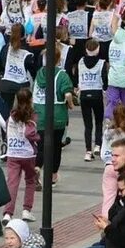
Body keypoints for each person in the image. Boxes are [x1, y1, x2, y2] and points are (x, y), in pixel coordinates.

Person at [32, 46, 74, 186]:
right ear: (59, 59)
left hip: (39, 114)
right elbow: (67, 94)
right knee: (56, 146)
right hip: (57, 115)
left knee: (42, 145)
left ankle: (37, 167)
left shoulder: (39, 74)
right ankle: (53, 175)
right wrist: (71, 104)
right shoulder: (61, 75)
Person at [3, 88, 40, 224]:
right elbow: (29, 133)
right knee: (30, 180)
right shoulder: (32, 115)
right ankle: (26, 210)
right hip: (27, 153)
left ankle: (8, 213)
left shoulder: (12, 115)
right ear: (30, 100)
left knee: (12, 183)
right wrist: (38, 137)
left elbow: (6, 127)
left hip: (13, 152)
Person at [78, 38, 107, 161]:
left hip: (84, 93)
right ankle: (98, 145)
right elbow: (105, 80)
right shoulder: (102, 63)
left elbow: (77, 76)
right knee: (99, 121)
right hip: (97, 93)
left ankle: (88, 151)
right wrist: (105, 89)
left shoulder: (80, 61)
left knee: (87, 124)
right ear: (98, 49)